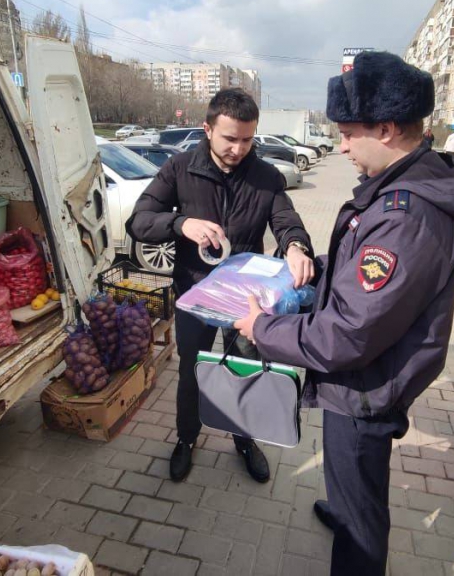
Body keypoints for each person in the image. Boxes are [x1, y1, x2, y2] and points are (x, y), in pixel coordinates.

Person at [233, 51, 454, 575]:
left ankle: (356, 543)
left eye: (348, 133)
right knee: (352, 483)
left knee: (361, 517)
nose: (340, 146)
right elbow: (361, 284)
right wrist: (316, 268)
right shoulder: (398, 193)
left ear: (387, 129)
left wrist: (263, 328)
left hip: (366, 386)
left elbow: (346, 333)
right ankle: (344, 506)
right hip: (364, 377)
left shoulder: (405, 217)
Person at [126, 88, 315, 482]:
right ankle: (186, 439)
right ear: (207, 129)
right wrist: (181, 224)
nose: (239, 148)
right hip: (196, 295)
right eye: (230, 138)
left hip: (246, 302)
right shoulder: (180, 169)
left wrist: (296, 246)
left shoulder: (265, 177)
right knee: (193, 371)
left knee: (246, 370)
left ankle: (244, 440)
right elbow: (139, 221)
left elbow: (285, 220)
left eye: (247, 139)